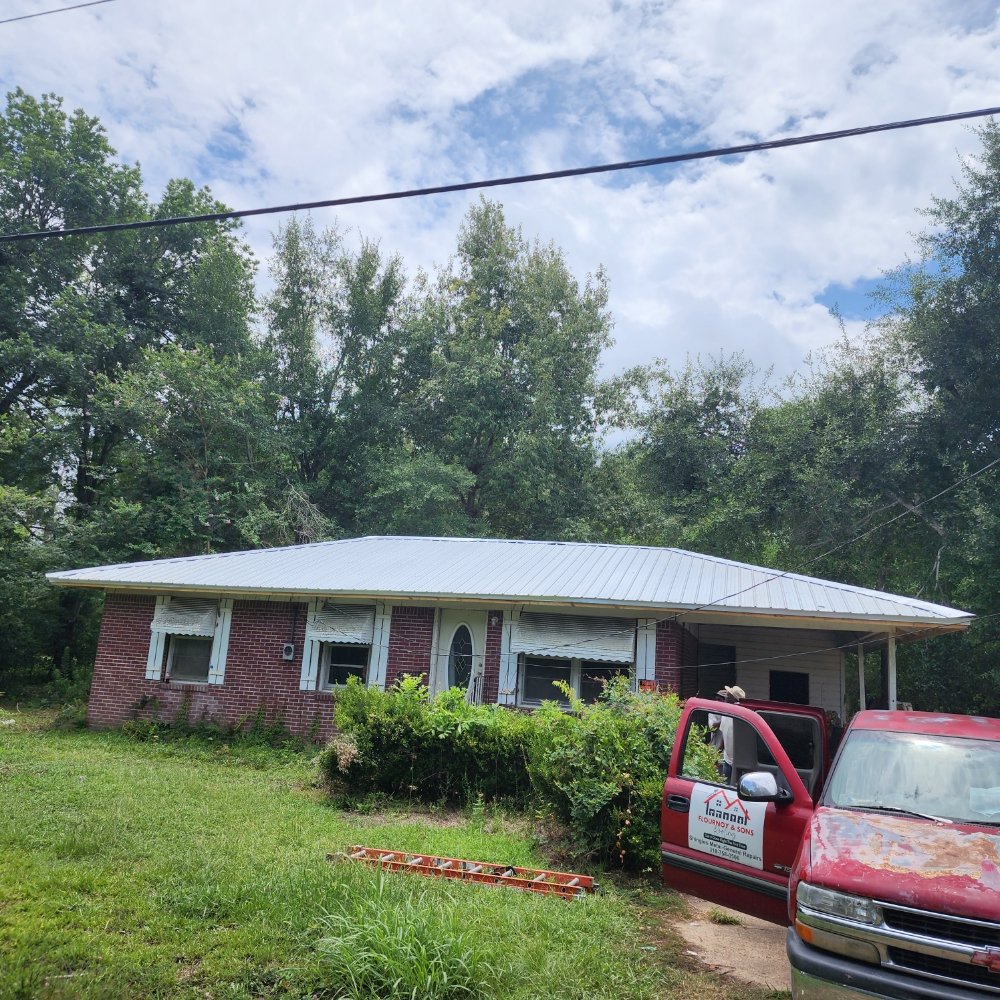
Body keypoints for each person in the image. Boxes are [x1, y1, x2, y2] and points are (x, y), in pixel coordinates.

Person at [709, 685, 746, 783]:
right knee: (725, 785)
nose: (727, 696)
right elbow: (723, 737)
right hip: (727, 760)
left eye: (729, 695)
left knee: (736, 790)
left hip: (739, 764)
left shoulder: (741, 718)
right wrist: (717, 755)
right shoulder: (726, 714)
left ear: (735, 700)